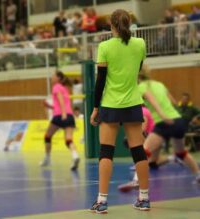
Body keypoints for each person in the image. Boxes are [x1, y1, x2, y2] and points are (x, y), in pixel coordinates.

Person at [89, 9, 150, 213]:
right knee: (138, 151)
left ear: (111, 25)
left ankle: (102, 201)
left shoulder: (104, 46)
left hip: (110, 105)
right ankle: (144, 198)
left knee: (106, 151)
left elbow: (100, 81)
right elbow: (138, 68)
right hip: (133, 104)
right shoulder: (140, 44)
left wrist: (95, 108)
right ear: (129, 22)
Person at [120, 65, 200, 192]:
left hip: (163, 122)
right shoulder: (159, 84)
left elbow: (152, 100)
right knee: (181, 152)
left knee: (143, 151)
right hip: (177, 121)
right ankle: (198, 174)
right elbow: (173, 101)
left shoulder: (141, 87)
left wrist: (162, 114)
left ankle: (136, 181)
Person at [40, 71, 80, 171]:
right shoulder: (65, 89)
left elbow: (61, 101)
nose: (51, 77)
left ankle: (47, 158)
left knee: (47, 136)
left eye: (53, 75)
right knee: (68, 140)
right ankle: (75, 156)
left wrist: (63, 114)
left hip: (60, 116)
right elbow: (61, 104)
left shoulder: (56, 87)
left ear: (58, 78)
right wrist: (49, 106)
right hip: (70, 115)